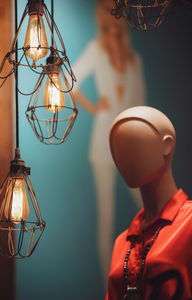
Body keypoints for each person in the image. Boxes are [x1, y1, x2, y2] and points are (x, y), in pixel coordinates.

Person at [73, 0, 146, 284]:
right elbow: (70, 80)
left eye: (115, 10)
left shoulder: (133, 59)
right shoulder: (96, 50)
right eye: (106, 11)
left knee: (148, 210)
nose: (112, 17)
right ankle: (109, 285)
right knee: (107, 217)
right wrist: (93, 107)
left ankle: (146, 274)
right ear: (101, 16)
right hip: (102, 145)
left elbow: (140, 102)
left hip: (130, 147)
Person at [106, 106, 192, 299]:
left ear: (167, 145)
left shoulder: (189, 223)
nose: (124, 159)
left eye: (135, 145)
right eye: (118, 150)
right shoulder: (123, 241)